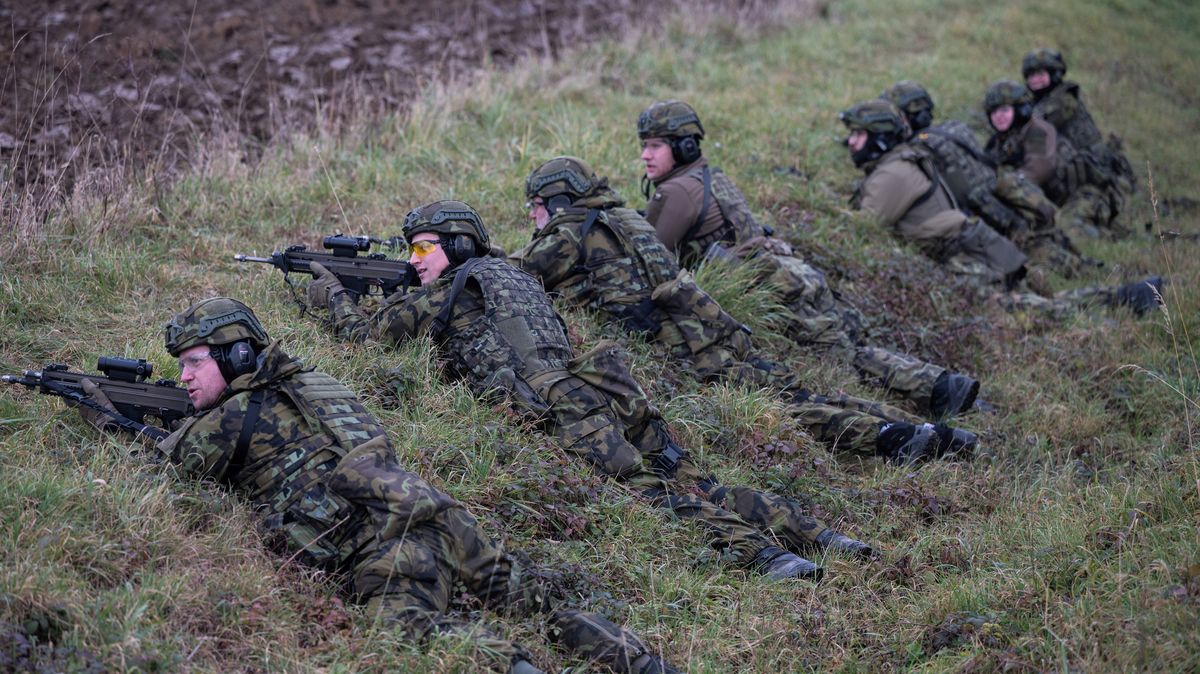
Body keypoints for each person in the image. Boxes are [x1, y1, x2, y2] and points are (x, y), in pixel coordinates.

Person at [74, 297, 678, 674]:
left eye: (194, 364)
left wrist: (108, 417)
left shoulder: (231, 418)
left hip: (390, 549)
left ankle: (514, 666)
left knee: (410, 628)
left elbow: (164, 469)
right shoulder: (321, 384)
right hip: (442, 514)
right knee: (538, 601)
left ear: (235, 359)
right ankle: (645, 665)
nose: (182, 378)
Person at [305, 199, 889, 582]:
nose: (415, 260)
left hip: (562, 405)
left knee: (650, 493)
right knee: (692, 479)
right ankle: (823, 537)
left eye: (423, 247)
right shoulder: (510, 271)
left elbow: (368, 336)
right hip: (603, 387)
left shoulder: (454, 286)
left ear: (457, 246)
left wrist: (327, 289)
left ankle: (768, 556)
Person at [510, 155, 978, 465]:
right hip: (712, 323)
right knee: (793, 393)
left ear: (555, 201)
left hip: (680, 345)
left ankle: (893, 439)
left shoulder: (567, 233)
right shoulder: (626, 215)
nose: (532, 217)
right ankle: (926, 429)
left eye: (534, 207)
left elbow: (520, 277)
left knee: (789, 411)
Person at [635, 100, 981, 419]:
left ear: (685, 147)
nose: (645, 155)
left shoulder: (675, 190)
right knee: (850, 345)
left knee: (843, 360)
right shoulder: (709, 174)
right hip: (790, 270)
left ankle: (939, 397)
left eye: (655, 145)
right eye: (643, 145)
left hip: (771, 286)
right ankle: (946, 388)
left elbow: (652, 257)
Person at [839, 98, 1162, 317]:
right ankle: (1126, 295)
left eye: (858, 134)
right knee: (1030, 304)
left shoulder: (894, 172)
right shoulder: (900, 162)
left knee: (1021, 310)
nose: (850, 142)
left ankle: (1125, 300)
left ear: (879, 137)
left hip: (962, 255)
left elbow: (861, 229)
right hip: (970, 245)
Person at [880, 80, 1087, 278]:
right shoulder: (954, 128)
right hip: (1006, 208)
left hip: (994, 219)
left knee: (1036, 255)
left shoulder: (920, 147)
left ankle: (1093, 282)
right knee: (1041, 244)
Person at [982, 79, 1118, 241]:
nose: (999, 117)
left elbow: (1039, 170)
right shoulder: (997, 142)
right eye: (994, 112)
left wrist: (1005, 185)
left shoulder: (1038, 129)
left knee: (1069, 231)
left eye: (1004, 110)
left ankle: (1112, 238)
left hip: (1083, 193)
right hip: (1048, 200)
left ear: (1021, 109)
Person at [1022, 47, 1135, 236]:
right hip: (1069, 181)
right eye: (1031, 75)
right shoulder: (1039, 103)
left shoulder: (1063, 101)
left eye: (1041, 74)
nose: (1035, 79)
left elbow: (1033, 131)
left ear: (1055, 73)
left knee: (1071, 228)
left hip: (1096, 185)